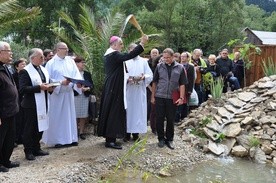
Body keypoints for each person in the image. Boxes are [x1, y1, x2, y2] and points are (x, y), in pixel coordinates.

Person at [97, 34, 148, 150]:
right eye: (120, 44)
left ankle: (110, 138)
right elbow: (130, 55)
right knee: (113, 113)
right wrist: (142, 43)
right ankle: (110, 140)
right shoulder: (113, 54)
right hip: (114, 87)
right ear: (114, 45)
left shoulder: (110, 54)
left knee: (112, 112)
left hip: (113, 86)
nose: (122, 46)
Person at [42, 42, 82, 147]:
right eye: (65, 48)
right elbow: (48, 79)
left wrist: (77, 82)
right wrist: (60, 83)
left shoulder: (70, 61)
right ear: (58, 49)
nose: (67, 50)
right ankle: (58, 140)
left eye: (67, 48)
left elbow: (76, 74)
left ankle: (71, 138)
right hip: (57, 94)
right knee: (58, 117)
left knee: (69, 117)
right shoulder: (51, 63)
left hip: (68, 93)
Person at [19, 48, 52, 160]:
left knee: (40, 127)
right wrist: (39, 87)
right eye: (41, 56)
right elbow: (23, 89)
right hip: (31, 105)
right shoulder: (25, 71)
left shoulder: (43, 69)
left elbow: (46, 82)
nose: (43, 58)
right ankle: (28, 151)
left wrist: (50, 87)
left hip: (43, 101)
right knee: (29, 128)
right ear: (33, 58)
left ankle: (36, 148)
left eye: (43, 56)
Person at [151, 48, 187, 150]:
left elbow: (182, 84)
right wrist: (153, 96)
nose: (165, 59)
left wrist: (181, 97)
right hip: (160, 96)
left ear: (172, 57)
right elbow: (154, 82)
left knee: (171, 119)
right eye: (164, 57)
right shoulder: (159, 67)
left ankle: (170, 139)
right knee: (160, 118)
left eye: (168, 58)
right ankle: (161, 139)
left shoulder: (180, 67)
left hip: (173, 98)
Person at [124, 43, 153, 142]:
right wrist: (127, 79)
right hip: (128, 91)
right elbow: (122, 75)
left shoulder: (143, 62)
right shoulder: (125, 61)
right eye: (132, 50)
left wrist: (144, 77)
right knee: (128, 112)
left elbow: (150, 74)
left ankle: (136, 134)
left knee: (138, 112)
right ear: (129, 51)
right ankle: (126, 133)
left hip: (139, 91)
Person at [0, 41, 20, 172]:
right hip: (2, 112)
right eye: (9, 51)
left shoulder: (6, 67)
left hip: (11, 110)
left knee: (10, 138)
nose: (11, 53)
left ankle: (5, 161)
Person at [74, 56, 93, 140]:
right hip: (75, 96)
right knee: (74, 115)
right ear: (76, 63)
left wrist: (87, 88)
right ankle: (74, 132)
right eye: (82, 62)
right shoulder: (73, 73)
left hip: (84, 96)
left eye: (84, 62)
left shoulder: (87, 74)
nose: (83, 64)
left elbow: (91, 85)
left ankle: (81, 132)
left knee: (83, 115)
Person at [175, 52, 195, 123]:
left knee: (185, 105)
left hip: (187, 88)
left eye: (184, 56)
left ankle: (184, 118)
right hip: (178, 88)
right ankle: (176, 119)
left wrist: (190, 90)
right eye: (181, 56)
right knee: (178, 104)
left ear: (187, 58)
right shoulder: (177, 66)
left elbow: (192, 79)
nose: (182, 58)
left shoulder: (191, 67)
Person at [12, 58, 27, 146]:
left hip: (25, 100)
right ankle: (16, 138)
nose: (24, 66)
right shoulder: (13, 76)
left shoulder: (26, 74)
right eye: (22, 64)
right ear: (16, 67)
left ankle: (22, 137)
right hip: (17, 99)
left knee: (24, 119)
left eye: (25, 64)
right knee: (18, 119)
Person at [147, 48, 161, 134]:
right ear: (150, 54)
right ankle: (153, 127)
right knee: (152, 108)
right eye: (153, 53)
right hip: (150, 88)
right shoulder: (147, 64)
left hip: (160, 90)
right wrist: (151, 89)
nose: (155, 54)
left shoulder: (161, 65)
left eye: (156, 53)